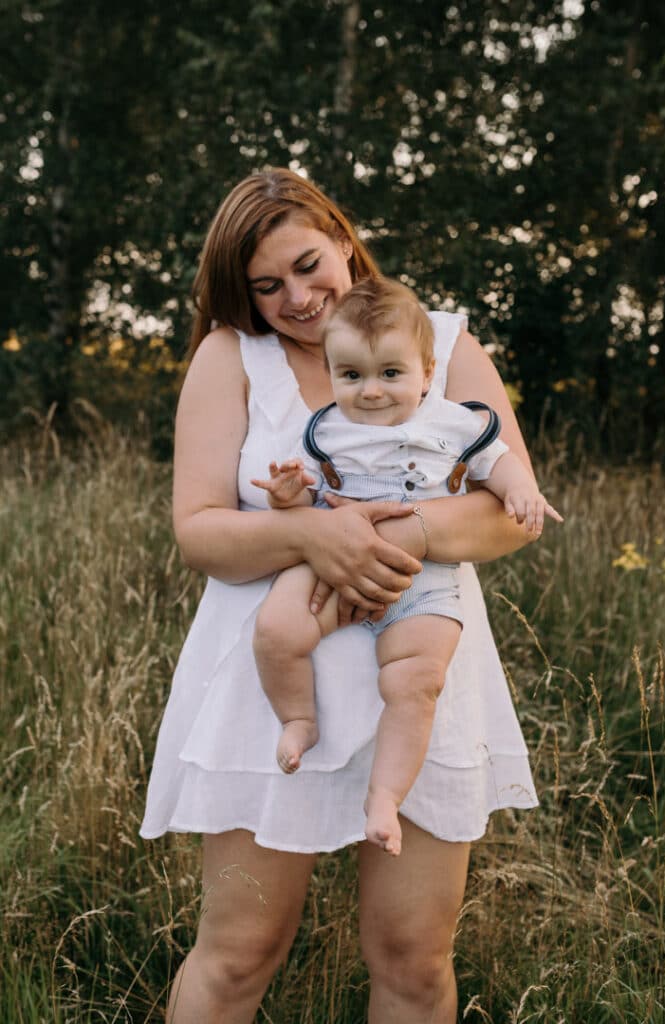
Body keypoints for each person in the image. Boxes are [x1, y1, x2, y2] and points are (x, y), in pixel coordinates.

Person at [140, 167, 547, 1023]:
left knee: (412, 955)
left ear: (341, 234)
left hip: (424, 660)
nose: (296, 297)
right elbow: (200, 529)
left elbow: (510, 513)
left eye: (307, 263)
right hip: (273, 676)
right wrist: (310, 536)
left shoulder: (441, 339)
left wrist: (396, 536)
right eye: (266, 285)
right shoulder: (232, 356)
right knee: (240, 949)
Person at [251, 276, 561, 858]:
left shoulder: (454, 423)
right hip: (329, 566)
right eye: (351, 376)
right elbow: (307, 499)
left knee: (416, 680)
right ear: (333, 373)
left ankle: (385, 797)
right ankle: (298, 719)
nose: (370, 391)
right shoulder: (325, 430)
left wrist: (521, 490)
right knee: (276, 630)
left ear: (425, 371)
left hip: (424, 578)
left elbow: (500, 464)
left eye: (390, 374)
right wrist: (287, 494)